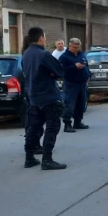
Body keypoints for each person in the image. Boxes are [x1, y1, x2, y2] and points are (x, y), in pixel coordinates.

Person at [22, 27, 67, 170]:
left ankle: (29, 158)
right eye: (45, 37)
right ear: (41, 38)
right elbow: (59, 71)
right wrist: (52, 74)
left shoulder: (26, 54)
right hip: (48, 96)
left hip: (33, 96)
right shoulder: (43, 54)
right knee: (52, 127)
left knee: (33, 128)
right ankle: (47, 159)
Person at [58, 38, 90, 133]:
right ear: (70, 46)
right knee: (69, 104)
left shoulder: (81, 54)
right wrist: (74, 67)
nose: (76, 49)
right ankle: (67, 124)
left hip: (82, 83)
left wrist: (89, 75)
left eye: (78, 47)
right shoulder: (64, 57)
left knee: (81, 103)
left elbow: (87, 65)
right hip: (71, 84)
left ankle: (78, 122)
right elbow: (61, 70)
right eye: (74, 47)